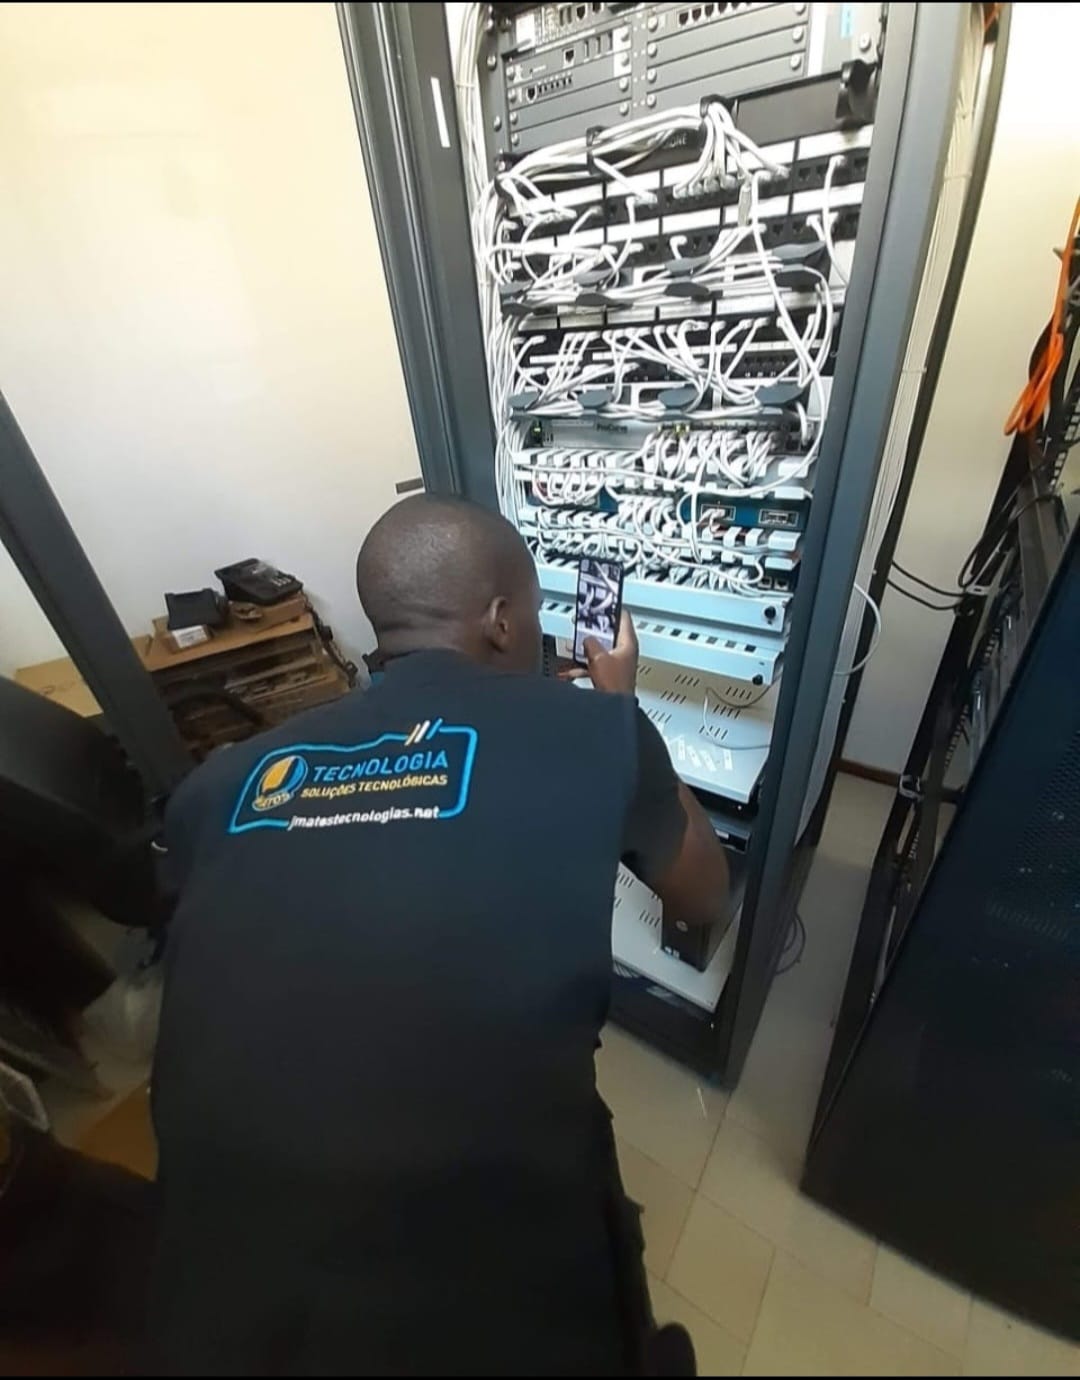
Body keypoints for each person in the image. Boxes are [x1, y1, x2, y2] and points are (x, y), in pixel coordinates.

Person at [149, 495, 729, 1376]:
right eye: (534, 610)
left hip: (211, 1309)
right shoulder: (593, 730)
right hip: (482, 1313)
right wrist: (623, 705)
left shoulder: (223, 781)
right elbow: (704, 896)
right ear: (501, 620)